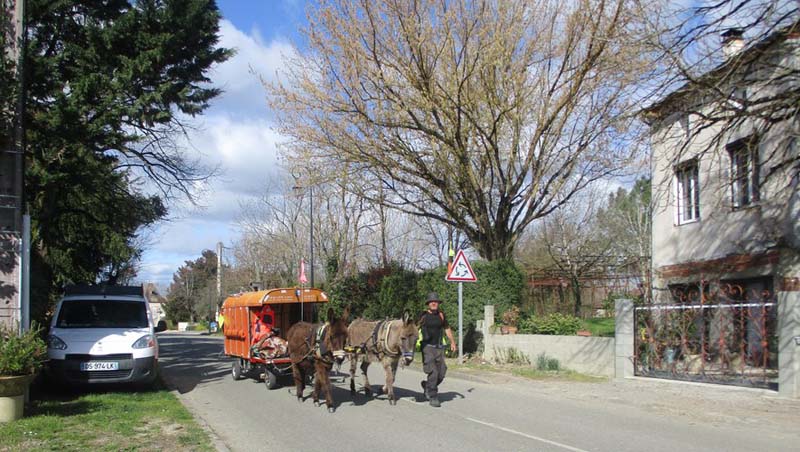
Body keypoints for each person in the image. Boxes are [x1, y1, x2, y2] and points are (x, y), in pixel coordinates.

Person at [418, 292, 456, 407]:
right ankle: (433, 396)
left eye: (436, 302)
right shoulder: (422, 316)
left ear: (438, 303)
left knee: (442, 372)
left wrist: (453, 342)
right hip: (427, 347)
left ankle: (428, 386)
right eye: (431, 301)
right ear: (428, 304)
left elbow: (447, 328)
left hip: (439, 347)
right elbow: (414, 329)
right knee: (433, 371)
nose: (434, 303)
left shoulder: (441, 315)